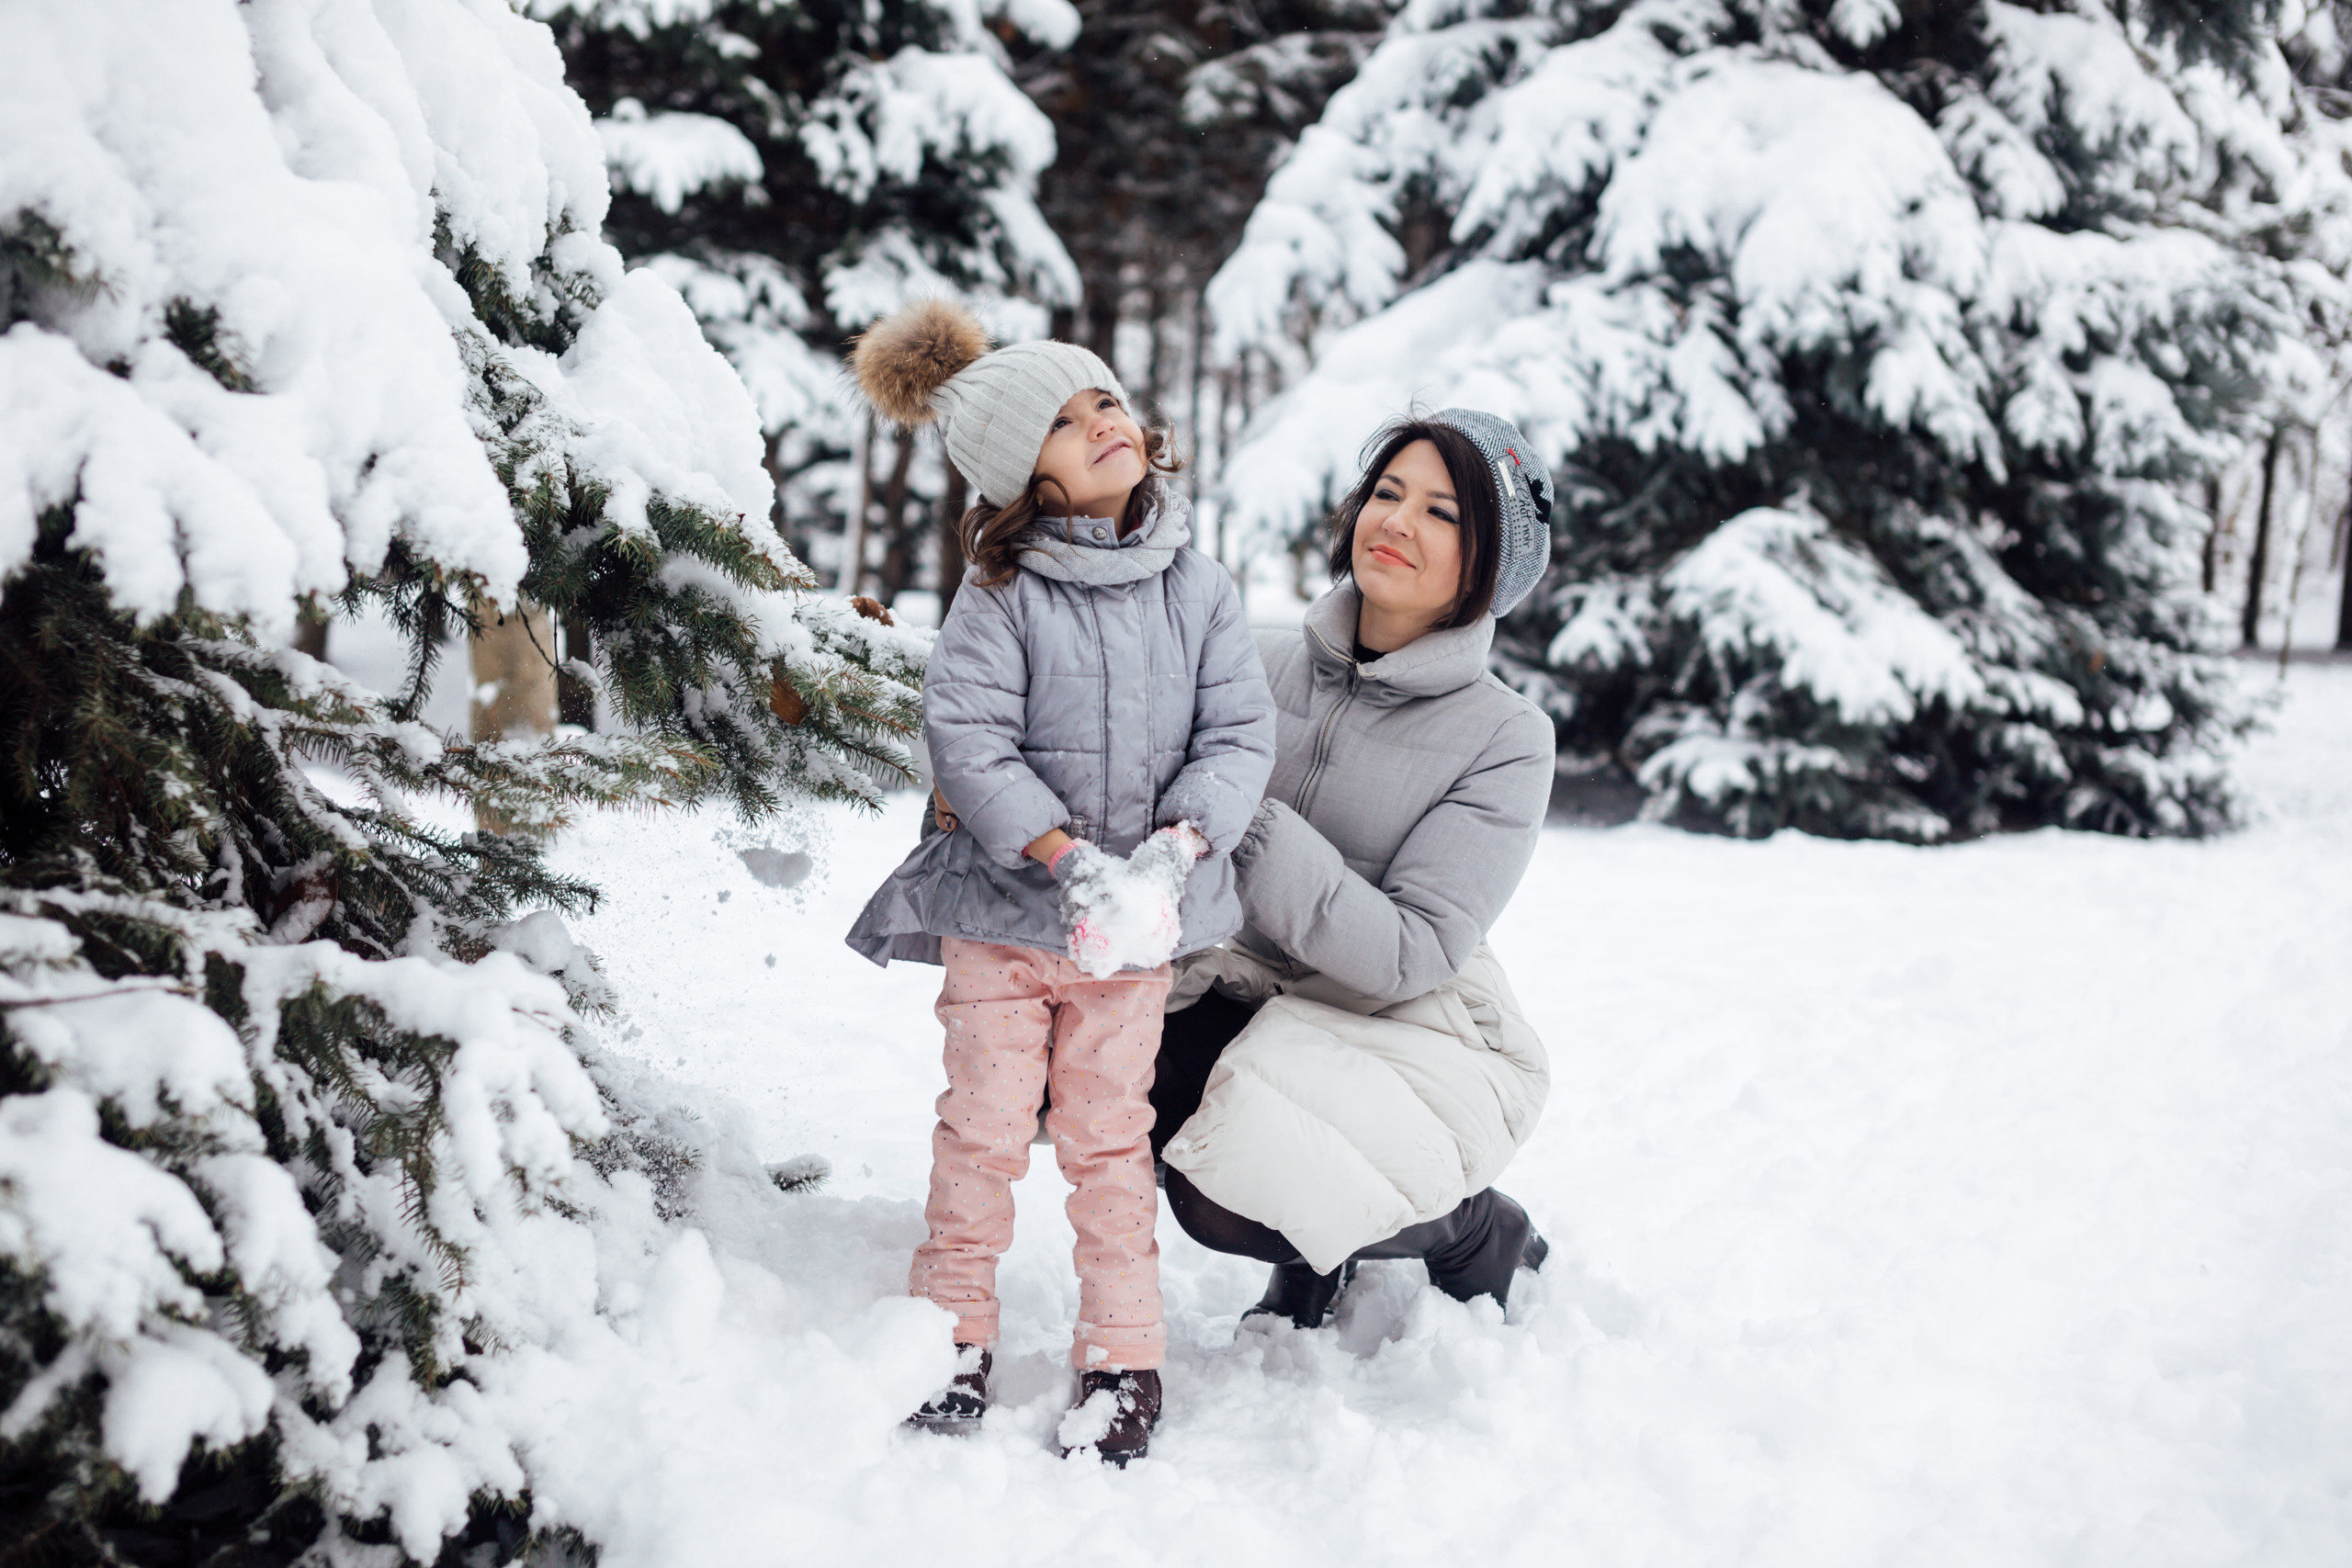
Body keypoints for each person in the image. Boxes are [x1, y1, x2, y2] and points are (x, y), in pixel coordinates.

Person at [842, 299, 1275, 1465]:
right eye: (1065, 419)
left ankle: (1124, 1356)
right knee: (981, 1130)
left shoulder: (1200, 590)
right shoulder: (999, 596)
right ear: (1015, 471)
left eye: (1108, 403)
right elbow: (968, 739)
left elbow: (1238, 735)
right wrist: (1063, 860)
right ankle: (950, 1335)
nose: (1101, 425)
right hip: (1006, 918)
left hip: (1133, 931)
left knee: (1105, 1138)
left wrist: (1171, 855)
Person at [1148, 410, 1558, 1331]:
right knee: (1097, 1075)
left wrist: (1246, 825)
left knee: (1229, 1197)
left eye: (1442, 512)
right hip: (1231, 975)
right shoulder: (1249, 657)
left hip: (1403, 1015)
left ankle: (1467, 1231)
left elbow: (1410, 952)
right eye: (1386, 493)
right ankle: (1323, 1231)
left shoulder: (1505, 739)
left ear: (1491, 563)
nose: (1396, 522)